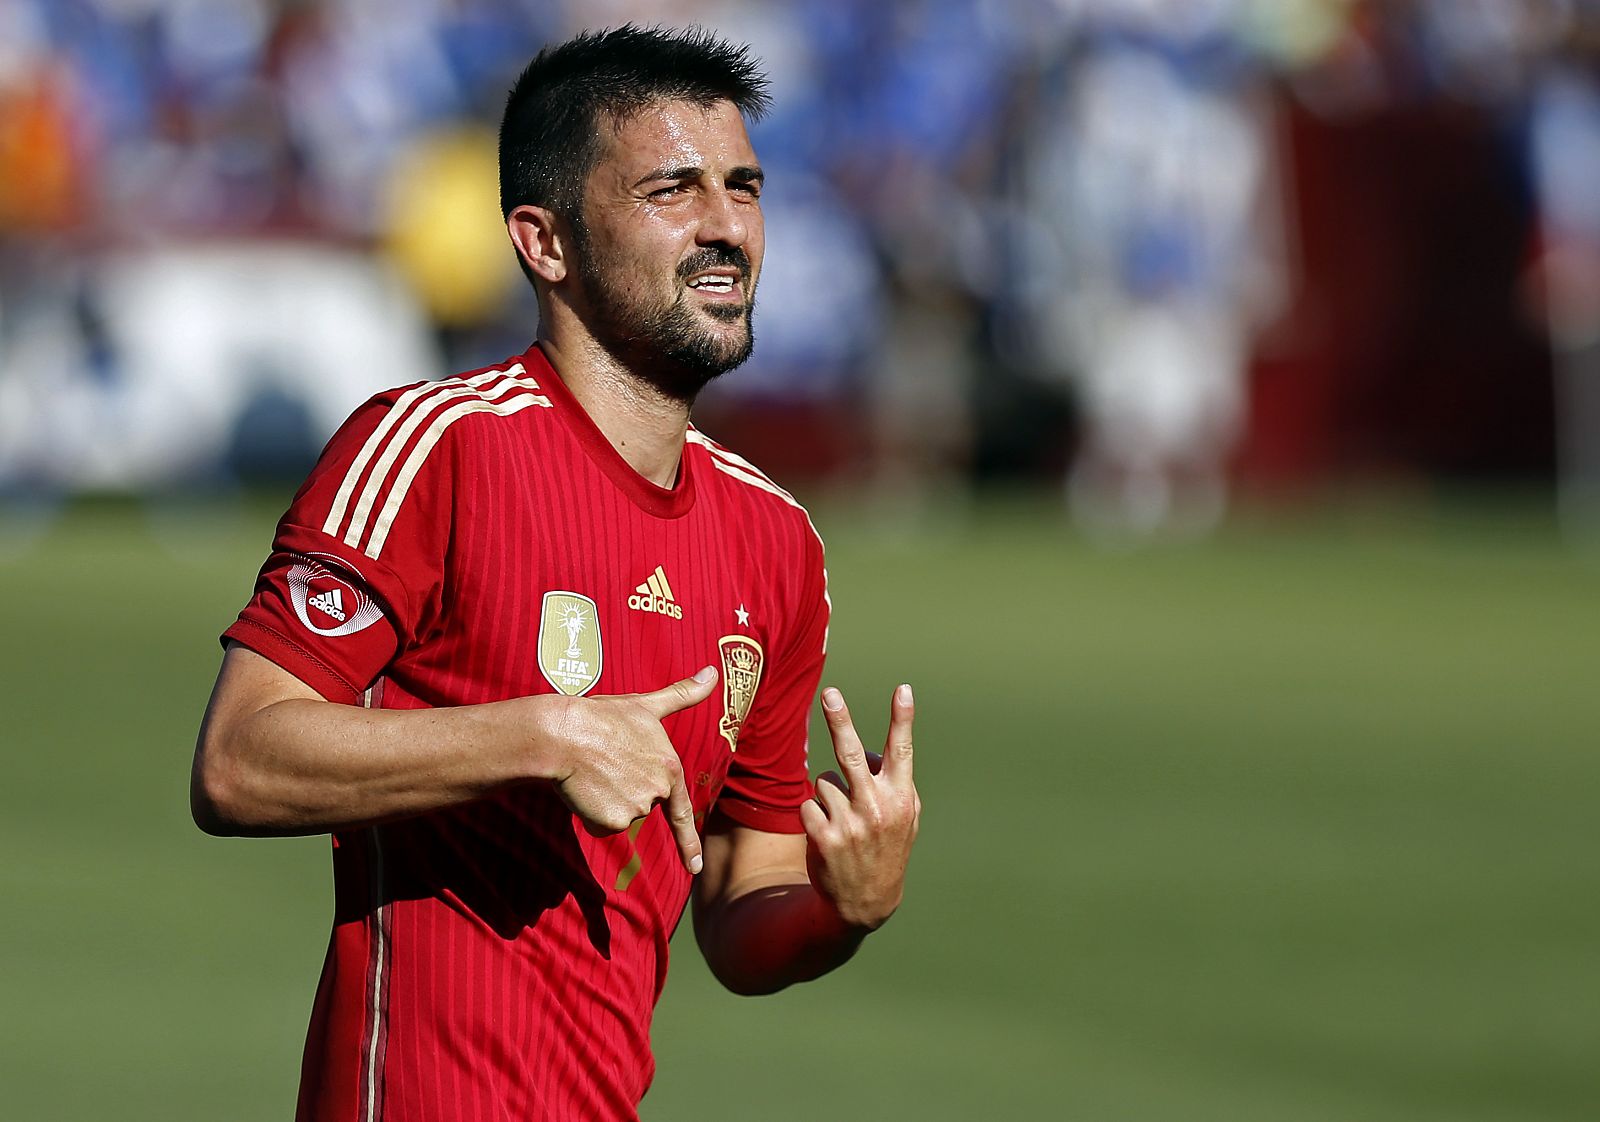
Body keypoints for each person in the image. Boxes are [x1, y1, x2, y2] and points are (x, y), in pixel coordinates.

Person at [189, 25, 921, 1122]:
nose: (726, 226)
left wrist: (839, 907)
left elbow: (739, 905)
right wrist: (544, 735)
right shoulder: (436, 447)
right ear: (545, 242)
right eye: (673, 190)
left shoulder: (777, 540)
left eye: (743, 187)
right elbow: (239, 762)